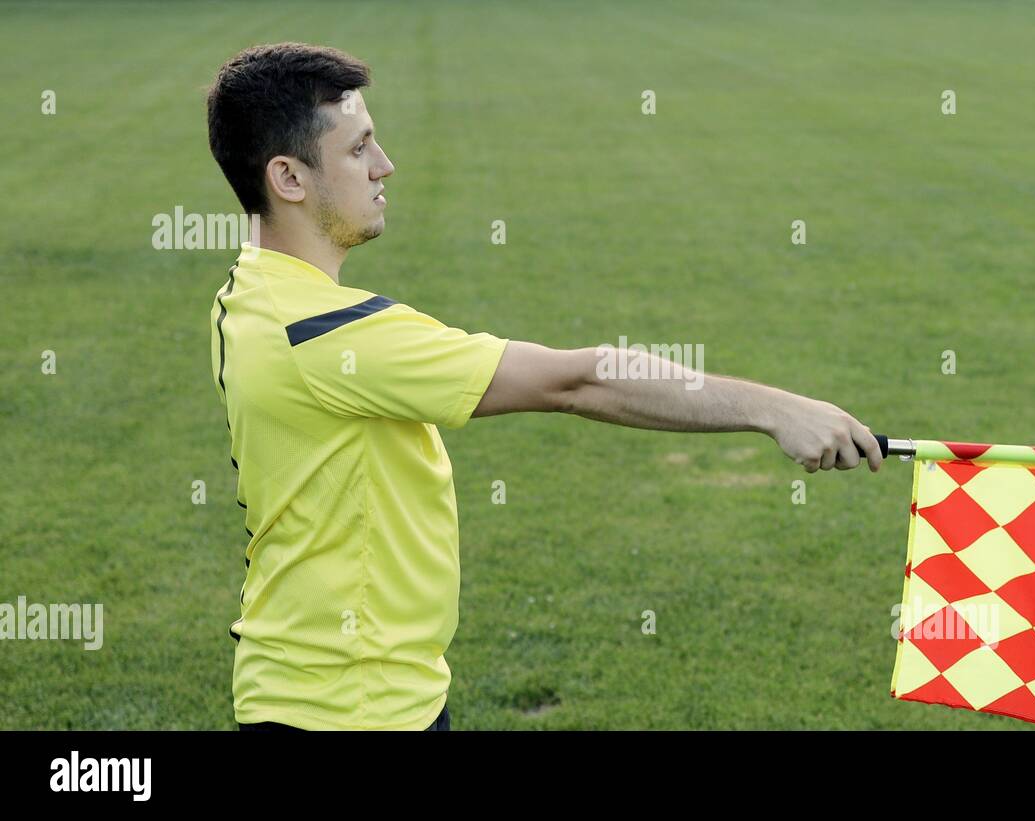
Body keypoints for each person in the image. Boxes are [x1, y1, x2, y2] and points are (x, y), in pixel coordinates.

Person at [206, 42, 883, 731]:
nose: (385, 165)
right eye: (358, 149)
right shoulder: (324, 336)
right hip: (346, 707)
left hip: (326, 686)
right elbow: (579, 380)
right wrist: (776, 409)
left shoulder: (247, 293)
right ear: (288, 177)